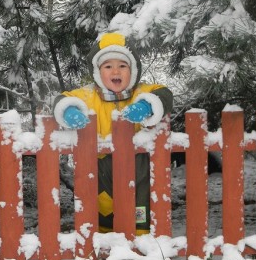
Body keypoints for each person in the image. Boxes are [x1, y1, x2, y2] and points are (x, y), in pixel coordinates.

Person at [52, 32, 173, 235]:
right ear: (98, 72)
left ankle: (140, 238)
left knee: (139, 201)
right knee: (103, 202)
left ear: (133, 70)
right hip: (100, 165)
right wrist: (69, 110)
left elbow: (164, 94)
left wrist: (146, 105)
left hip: (138, 164)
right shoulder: (88, 95)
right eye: (108, 66)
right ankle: (104, 241)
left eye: (123, 66)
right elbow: (62, 99)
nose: (116, 70)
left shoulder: (140, 92)